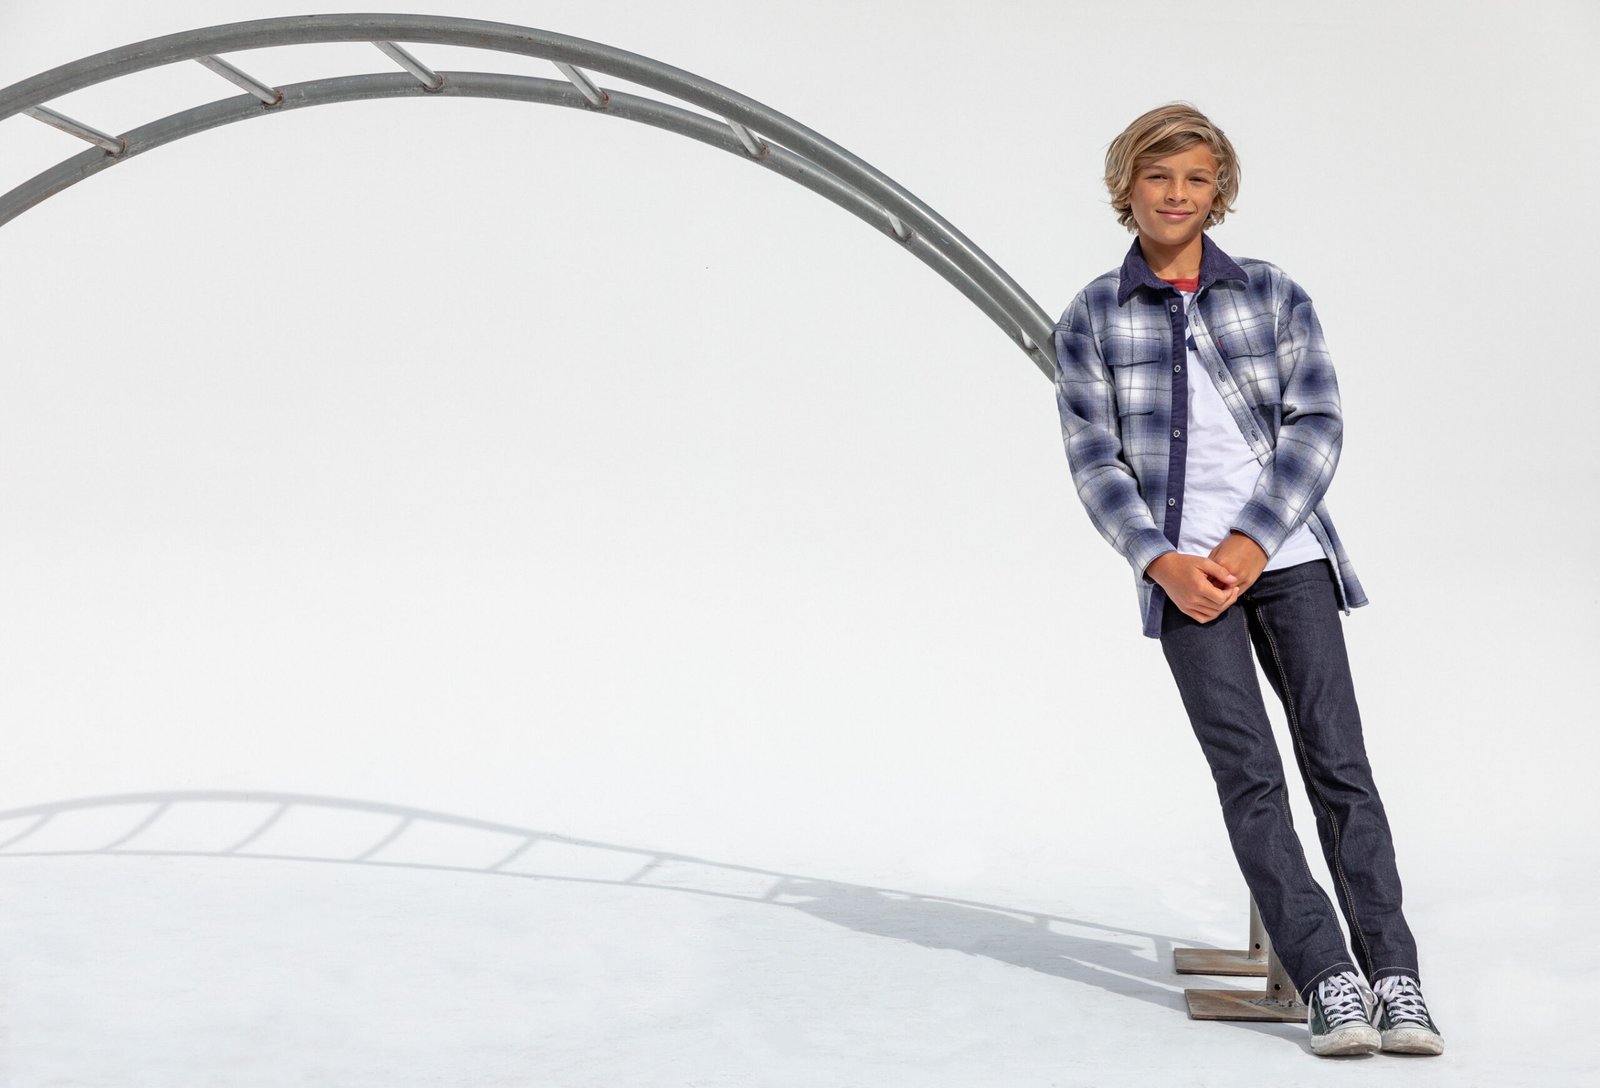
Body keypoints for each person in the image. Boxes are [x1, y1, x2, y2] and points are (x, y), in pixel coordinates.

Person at [1050, 103, 1443, 1058]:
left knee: (1339, 766)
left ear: (1219, 189)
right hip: (1184, 579)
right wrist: (1162, 560)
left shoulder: (1271, 293)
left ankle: (1395, 977)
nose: (1176, 194)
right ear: (1126, 186)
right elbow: (1093, 458)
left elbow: (1319, 424)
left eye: (1196, 178)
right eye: (1158, 176)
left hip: (1288, 562)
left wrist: (1252, 542)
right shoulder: (1093, 314)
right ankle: (1328, 979)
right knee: (1250, 777)